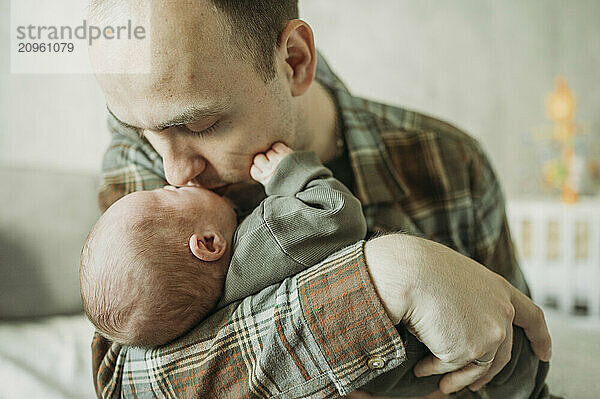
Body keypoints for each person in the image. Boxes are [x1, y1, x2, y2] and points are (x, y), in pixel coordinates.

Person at [87, 0, 553, 397]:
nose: (173, 172)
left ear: (294, 60)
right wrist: (388, 278)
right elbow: (126, 377)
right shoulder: (138, 164)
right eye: (140, 130)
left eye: (199, 126)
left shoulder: (451, 164)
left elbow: (518, 361)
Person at [80, 143, 366, 347]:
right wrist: (288, 173)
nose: (175, 180)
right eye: (173, 194)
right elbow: (338, 213)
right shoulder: (267, 235)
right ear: (208, 242)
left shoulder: (215, 308)